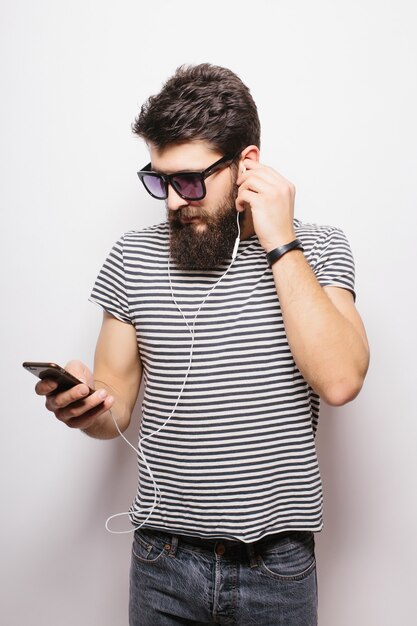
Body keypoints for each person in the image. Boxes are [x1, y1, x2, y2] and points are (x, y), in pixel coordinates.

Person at [35, 64, 369, 625]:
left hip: (277, 570)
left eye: (189, 182)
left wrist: (280, 240)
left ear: (247, 166)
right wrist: (84, 406)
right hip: (162, 562)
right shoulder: (132, 256)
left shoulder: (317, 248)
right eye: (159, 180)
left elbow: (340, 380)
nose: (171, 201)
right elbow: (113, 403)